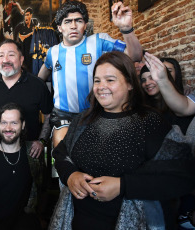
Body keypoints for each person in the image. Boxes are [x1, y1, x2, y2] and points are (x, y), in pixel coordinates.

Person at [50, 51, 195, 230]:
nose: (101, 86)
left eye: (110, 80)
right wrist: (70, 175)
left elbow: (182, 175)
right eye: (97, 80)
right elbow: (61, 153)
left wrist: (123, 186)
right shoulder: (82, 121)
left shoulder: (150, 122)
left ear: (129, 84)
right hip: (78, 220)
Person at [38, 1, 142, 147]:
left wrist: (126, 29)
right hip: (63, 116)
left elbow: (135, 56)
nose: (73, 26)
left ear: (85, 25)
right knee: (64, 157)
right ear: (60, 27)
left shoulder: (99, 41)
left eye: (78, 21)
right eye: (68, 22)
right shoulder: (52, 52)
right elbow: (39, 80)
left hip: (94, 114)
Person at [0, 39, 53, 158]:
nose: (5, 60)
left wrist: (42, 141)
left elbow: (49, 115)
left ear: (21, 59)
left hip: (30, 153)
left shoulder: (37, 85)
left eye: (11, 55)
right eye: (1, 56)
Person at [140, 64, 193, 134]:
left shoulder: (179, 104)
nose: (147, 83)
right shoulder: (143, 107)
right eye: (143, 80)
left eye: (152, 78)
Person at [144, 52, 195, 117]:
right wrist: (161, 80)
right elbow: (185, 108)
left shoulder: (186, 92)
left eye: (168, 71)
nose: (165, 74)